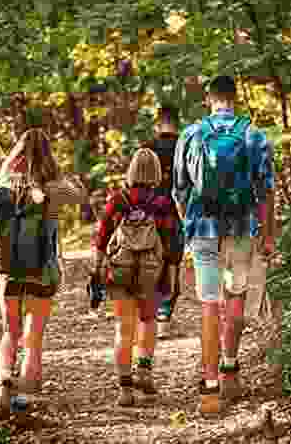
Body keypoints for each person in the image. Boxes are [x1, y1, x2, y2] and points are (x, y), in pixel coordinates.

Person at [172, 75, 276, 414]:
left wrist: (188, 221)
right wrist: (269, 232)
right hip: (242, 227)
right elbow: (266, 189)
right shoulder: (253, 135)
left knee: (208, 304)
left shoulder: (191, 134)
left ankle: (210, 388)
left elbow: (179, 189)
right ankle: (230, 368)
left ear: (209, 99)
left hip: (203, 227)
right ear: (236, 98)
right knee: (235, 296)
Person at [0, 128, 89, 420]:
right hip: (42, 270)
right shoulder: (54, 188)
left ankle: (4, 383)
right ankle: (22, 403)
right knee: (33, 338)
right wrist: (70, 180)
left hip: (8, 270)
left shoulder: (2, 185)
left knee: (10, 332)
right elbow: (80, 197)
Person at [90, 148, 179, 406]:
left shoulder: (117, 200)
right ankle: (144, 371)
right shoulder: (163, 203)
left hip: (119, 271)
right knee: (149, 320)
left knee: (123, 328)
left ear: (130, 171)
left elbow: (101, 237)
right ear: (156, 173)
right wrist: (171, 276)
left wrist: (96, 269)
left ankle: (125, 390)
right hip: (152, 273)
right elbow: (171, 245)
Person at [140, 105, 185, 339]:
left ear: (157, 124)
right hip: (177, 213)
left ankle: (150, 316)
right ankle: (165, 318)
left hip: (150, 215)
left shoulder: (147, 148)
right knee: (173, 263)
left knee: (152, 262)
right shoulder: (185, 145)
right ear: (177, 123)